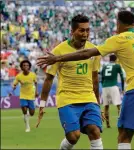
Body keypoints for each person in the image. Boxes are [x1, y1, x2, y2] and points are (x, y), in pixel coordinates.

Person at [37, 10, 134, 149]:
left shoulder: (118, 39)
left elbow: (86, 54)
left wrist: (58, 58)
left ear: (119, 25)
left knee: (123, 136)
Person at [36, 15, 104, 149]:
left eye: (87, 30)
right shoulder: (58, 51)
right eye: (81, 30)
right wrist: (42, 104)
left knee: (94, 130)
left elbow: (95, 79)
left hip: (88, 97)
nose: (85, 34)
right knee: (74, 136)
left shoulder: (94, 50)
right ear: (72, 32)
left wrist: (98, 103)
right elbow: (49, 79)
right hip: (67, 98)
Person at [9, 60, 38, 132]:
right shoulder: (19, 76)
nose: (25, 67)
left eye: (27, 65)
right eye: (24, 65)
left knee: (32, 113)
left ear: (29, 67)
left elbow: (36, 83)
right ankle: (27, 126)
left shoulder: (33, 75)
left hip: (31, 95)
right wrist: (13, 88)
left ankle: (27, 115)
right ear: (21, 67)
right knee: (24, 110)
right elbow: (14, 84)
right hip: (23, 95)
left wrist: (36, 92)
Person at [100, 54, 125, 128]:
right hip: (113, 86)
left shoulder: (104, 66)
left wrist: (103, 85)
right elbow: (121, 77)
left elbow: (101, 78)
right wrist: (123, 88)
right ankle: (121, 123)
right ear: (116, 59)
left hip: (105, 87)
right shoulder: (117, 66)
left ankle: (108, 125)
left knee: (106, 106)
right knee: (118, 105)